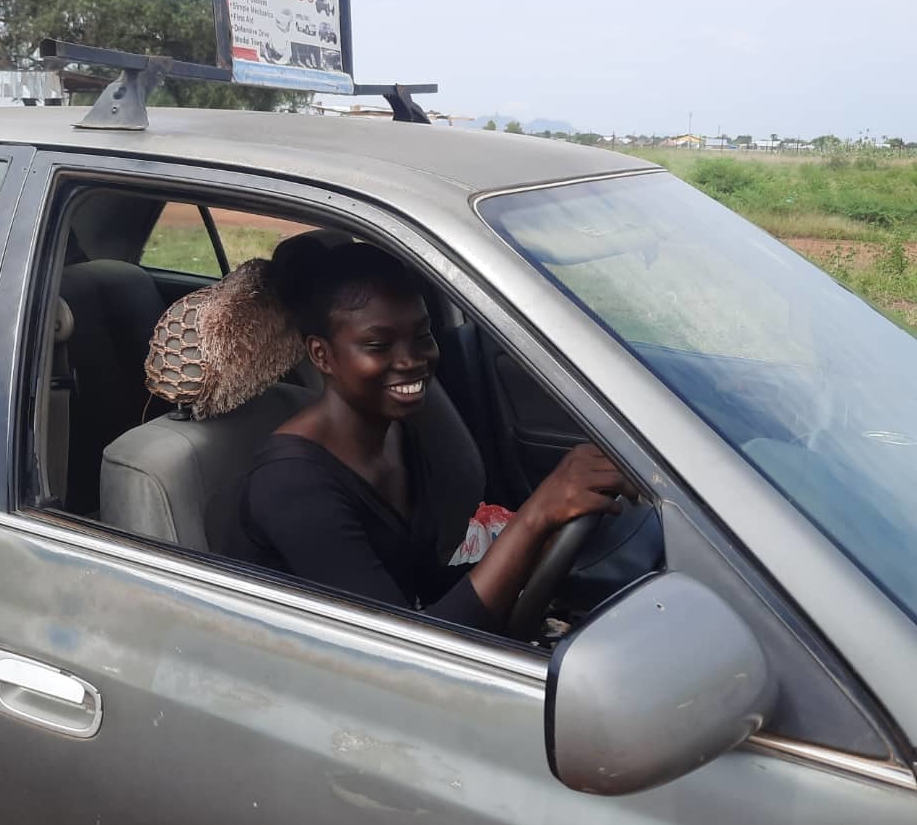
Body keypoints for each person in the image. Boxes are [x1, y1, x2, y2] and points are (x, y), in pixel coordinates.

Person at [227, 240, 637, 634]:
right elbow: (405, 653)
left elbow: (421, 584)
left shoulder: (395, 435)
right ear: (322, 355)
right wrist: (534, 517)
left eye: (422, 336)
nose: (411, 360)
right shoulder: (292, 485)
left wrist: (537, 549)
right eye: (378, 344)